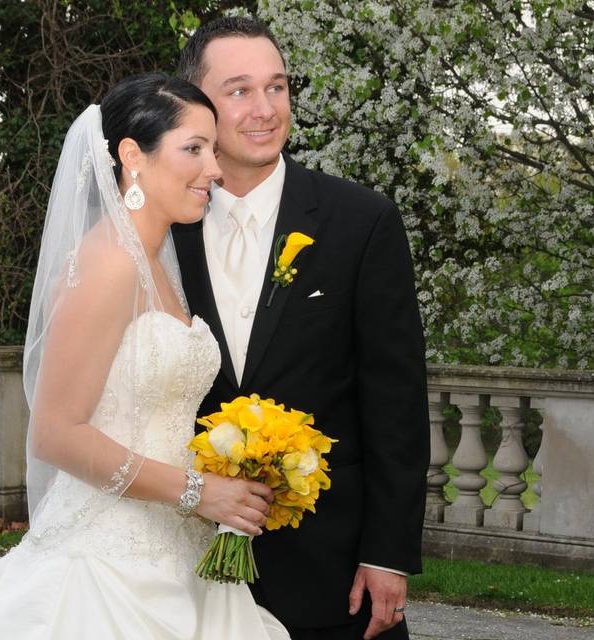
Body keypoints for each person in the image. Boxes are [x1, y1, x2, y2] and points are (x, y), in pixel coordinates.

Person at [0, 73, 291, 639]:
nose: (214, 170)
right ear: (131, 156)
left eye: (213, 150)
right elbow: (55, 434)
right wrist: (197, 491)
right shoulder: (109, 262)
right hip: (107, 560)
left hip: (177, 546)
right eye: (194, 149)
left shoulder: (157, 263)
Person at [172, 17, 431, 640]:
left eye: (278, 87)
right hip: (180, 559)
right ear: (197, 107)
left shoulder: (360, 221)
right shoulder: (161, 229)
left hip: (331, 568)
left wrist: (387, 553)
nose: (265, 109)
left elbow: (396, 402)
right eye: (239, 90)